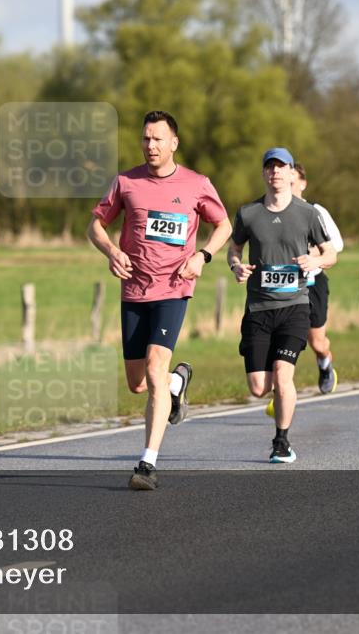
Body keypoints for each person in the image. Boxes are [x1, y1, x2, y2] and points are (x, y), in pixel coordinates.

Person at [87, 110, 232, 490]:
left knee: (154, 367)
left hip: (174, 287)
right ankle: (176, 383)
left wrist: (202, 256)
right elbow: (96, 225)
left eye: (157, 139)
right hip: (134, 289)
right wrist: (111, 252)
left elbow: (224, 224)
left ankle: (147, 464)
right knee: (138, 384)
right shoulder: (126, 182)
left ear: (174, 143)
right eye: (145, 139)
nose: (150, 146)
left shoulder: (197, 184)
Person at [227, 148, 336, 463]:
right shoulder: (249, 214)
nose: (275, 172)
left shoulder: (307, 214)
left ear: (292, 173)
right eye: (269, 167)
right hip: (258, 308)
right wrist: (236, 266)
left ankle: (282, 442)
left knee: (282, 373)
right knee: (259, 387)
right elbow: (234, 249)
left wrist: (313, 259)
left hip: (295, 306)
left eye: (281, 167)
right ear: (263, 173)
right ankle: (277, 394)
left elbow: (331, 254)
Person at [264, 162, 345, 416]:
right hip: (283, 284)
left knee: (316, 340)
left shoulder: (315, 210)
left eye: (293, 179)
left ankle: (325, 363)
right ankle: (278, 395)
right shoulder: (271, 210)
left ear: (302, 183)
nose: (288, 183)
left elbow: (337, 245)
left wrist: (311, 253)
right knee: (281, 338)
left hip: (312, 282)